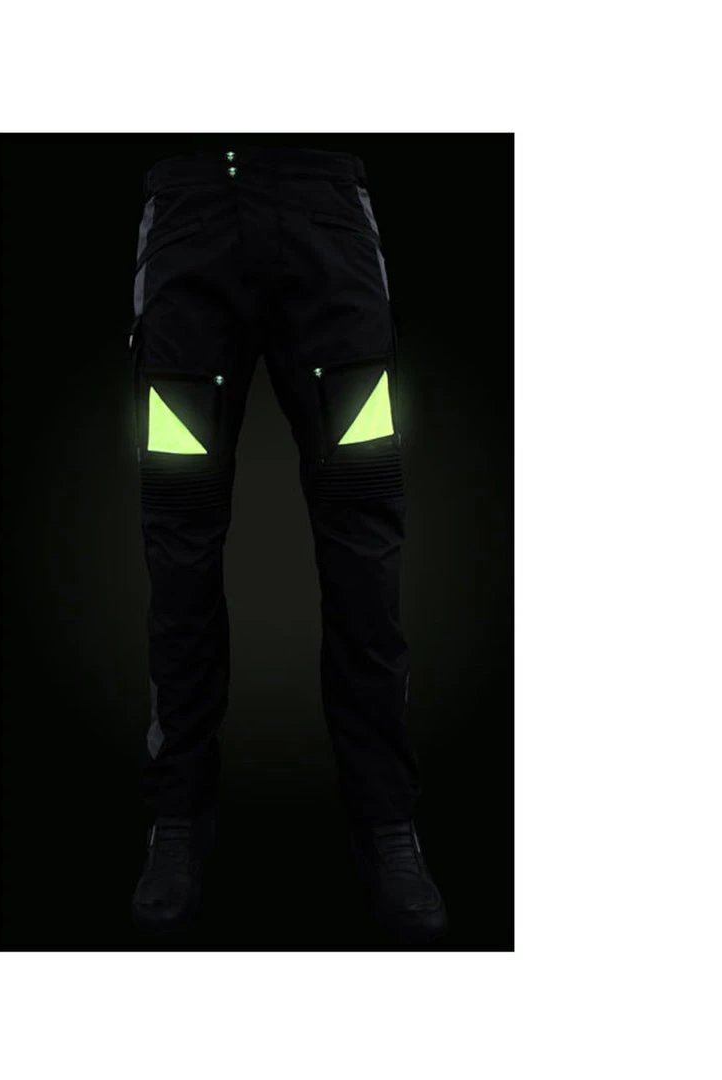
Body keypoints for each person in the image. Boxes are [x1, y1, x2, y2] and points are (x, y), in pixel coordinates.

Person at [127, 145, 447, 944]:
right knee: (180, 544)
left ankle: (387, 821)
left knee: (365, 547)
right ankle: (177, 818)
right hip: (191, 211)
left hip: (327, 206)